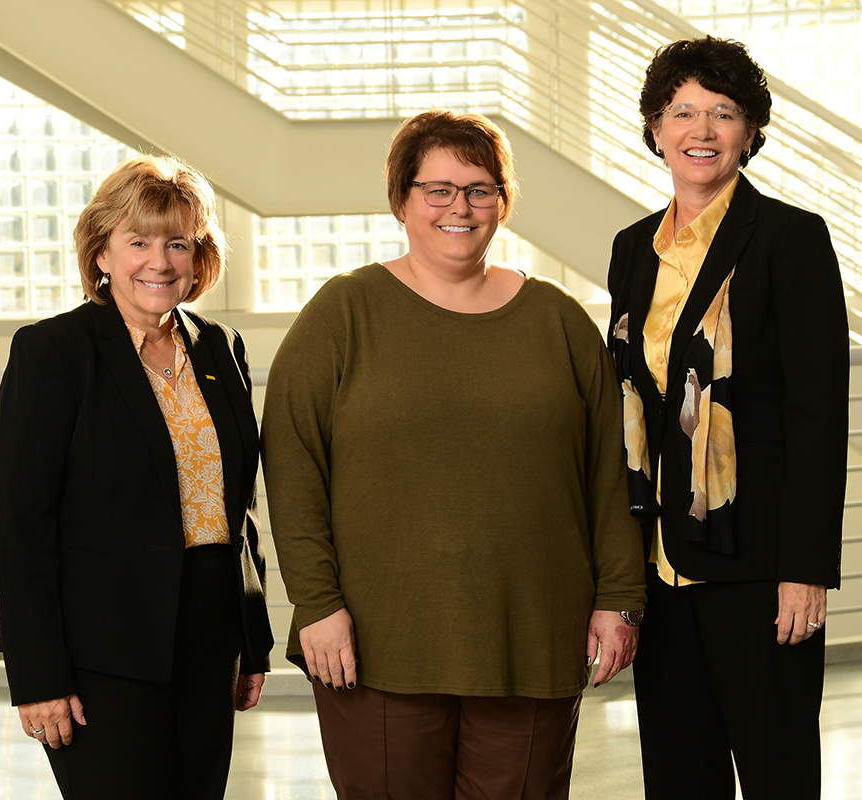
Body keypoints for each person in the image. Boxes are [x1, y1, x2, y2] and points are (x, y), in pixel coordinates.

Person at [261, 109, 646, 800]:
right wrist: (316, 604)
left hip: (531, 634)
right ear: (402, 199)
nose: (459, 207)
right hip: (376, 643)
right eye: (437, 189)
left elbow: (605, 474)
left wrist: (619, 598)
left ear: (503, 200)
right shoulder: (343, 314)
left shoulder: (558, 321)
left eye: (479, 188)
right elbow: (293, 467)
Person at [0, 154, 274, 799]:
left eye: (178, 243)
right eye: (138, 241)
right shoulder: (53, 353)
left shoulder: (221, 349)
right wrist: (38, 676)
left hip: (208, 636)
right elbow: (18, 524)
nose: (160, 261)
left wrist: (250, 643)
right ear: (103, 253)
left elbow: (239, 508)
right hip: (101, 651)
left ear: (199, 258)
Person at [606, 37, 849, 799]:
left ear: (750, 131)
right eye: (682, 110)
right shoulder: (630, 249)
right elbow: (630, 404)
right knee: (679, 776)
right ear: (655, 128)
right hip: (661, 566)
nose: (701, 129)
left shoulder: (789, 239)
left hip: (758, 565)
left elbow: (819, 413)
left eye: (723, 111)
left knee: (777, 773)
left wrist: (805, 570)